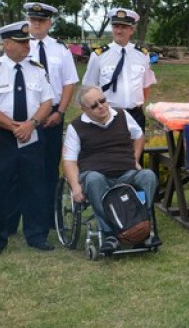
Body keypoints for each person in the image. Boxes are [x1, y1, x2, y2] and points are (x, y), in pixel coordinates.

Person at [0, 21, 54, 256]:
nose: (27, 46)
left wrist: (31, 124)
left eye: (27, 41)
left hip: (32, 132)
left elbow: (47, 102)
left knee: (35, 185)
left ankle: (37, 235)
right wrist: (13, 127)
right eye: (21, 42)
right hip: (3, 136)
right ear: (7, 44)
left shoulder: (37, 69)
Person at [62, 85, 160, 254]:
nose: (101, 106)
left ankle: (142, 228)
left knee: (148, 176)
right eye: (94, 105)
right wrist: (75, 187)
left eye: (103, 100)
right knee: (93, 180)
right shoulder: (76, 127)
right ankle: (110, 235)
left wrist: (135, 159)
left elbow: (138, 136)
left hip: (126, 173)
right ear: (83, 108)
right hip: (97, 176)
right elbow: (69, 161)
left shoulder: (122, 115)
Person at [26, 2, 79, 224]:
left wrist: (60, 112)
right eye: (33, 20)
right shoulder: (19, 46)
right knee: (26, 168)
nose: (37, 24)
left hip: (55, 115)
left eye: (41, 20)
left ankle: (48, 218)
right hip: (27, 115)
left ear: (49, 22)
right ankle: (27, 216)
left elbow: (69, 83)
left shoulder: (61, 49)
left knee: (49, 167)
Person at [82, 8, 156, 131]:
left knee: (136, 149)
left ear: (132, 30)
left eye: (124, 27)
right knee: (110, 150)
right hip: (108, 114)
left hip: (135, 115)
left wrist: (134, 104)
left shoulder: (142, 55)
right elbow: (88, 88)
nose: (119, 30)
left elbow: (146, 87)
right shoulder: (99, 55)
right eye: (116, 26)